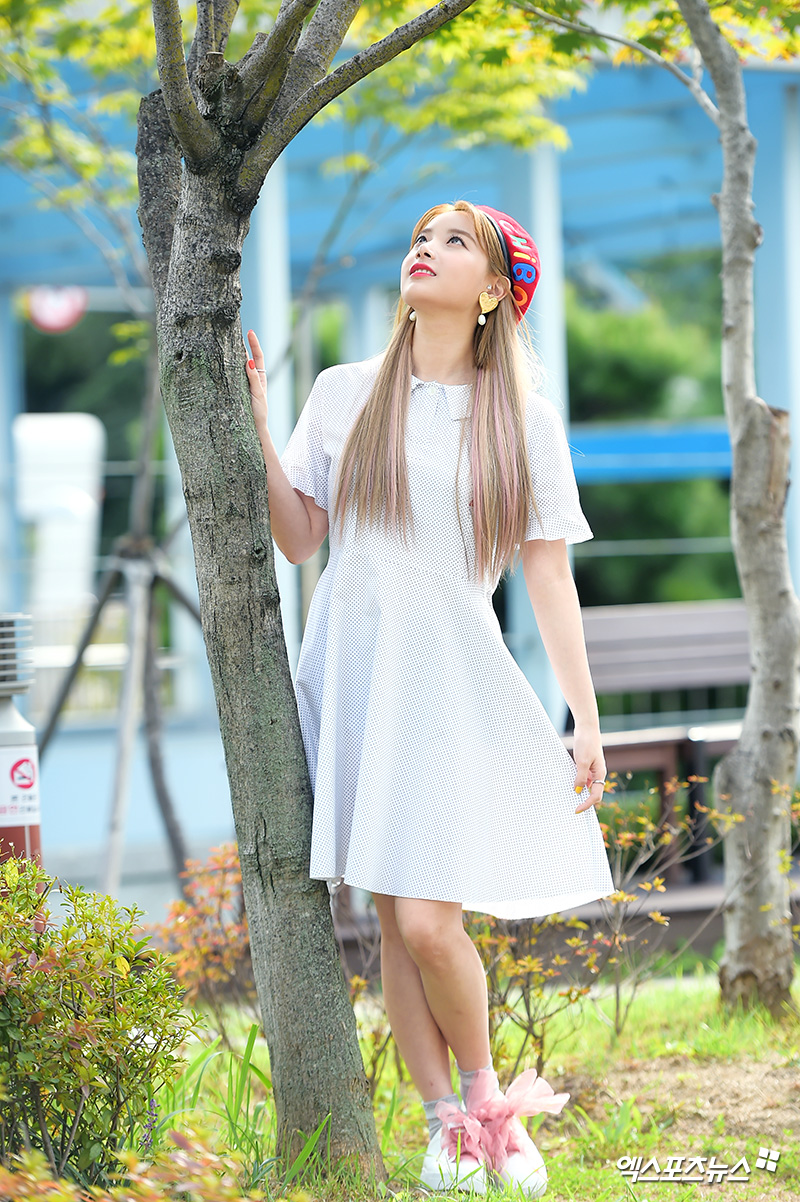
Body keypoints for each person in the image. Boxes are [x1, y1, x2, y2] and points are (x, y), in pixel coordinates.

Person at [245, 199, 615, 1197]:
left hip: (450, 674)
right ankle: (443, 1125)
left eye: (455, 242)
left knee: (425, 920)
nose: (426, 249)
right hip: (357, 671)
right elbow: (299, 536)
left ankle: (490, 1106)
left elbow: (546, 574)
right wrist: (253, 423)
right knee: (391, 905)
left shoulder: (522, 420)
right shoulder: (342, 391)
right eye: (422, 235)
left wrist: (582, 712)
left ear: (494, 291)